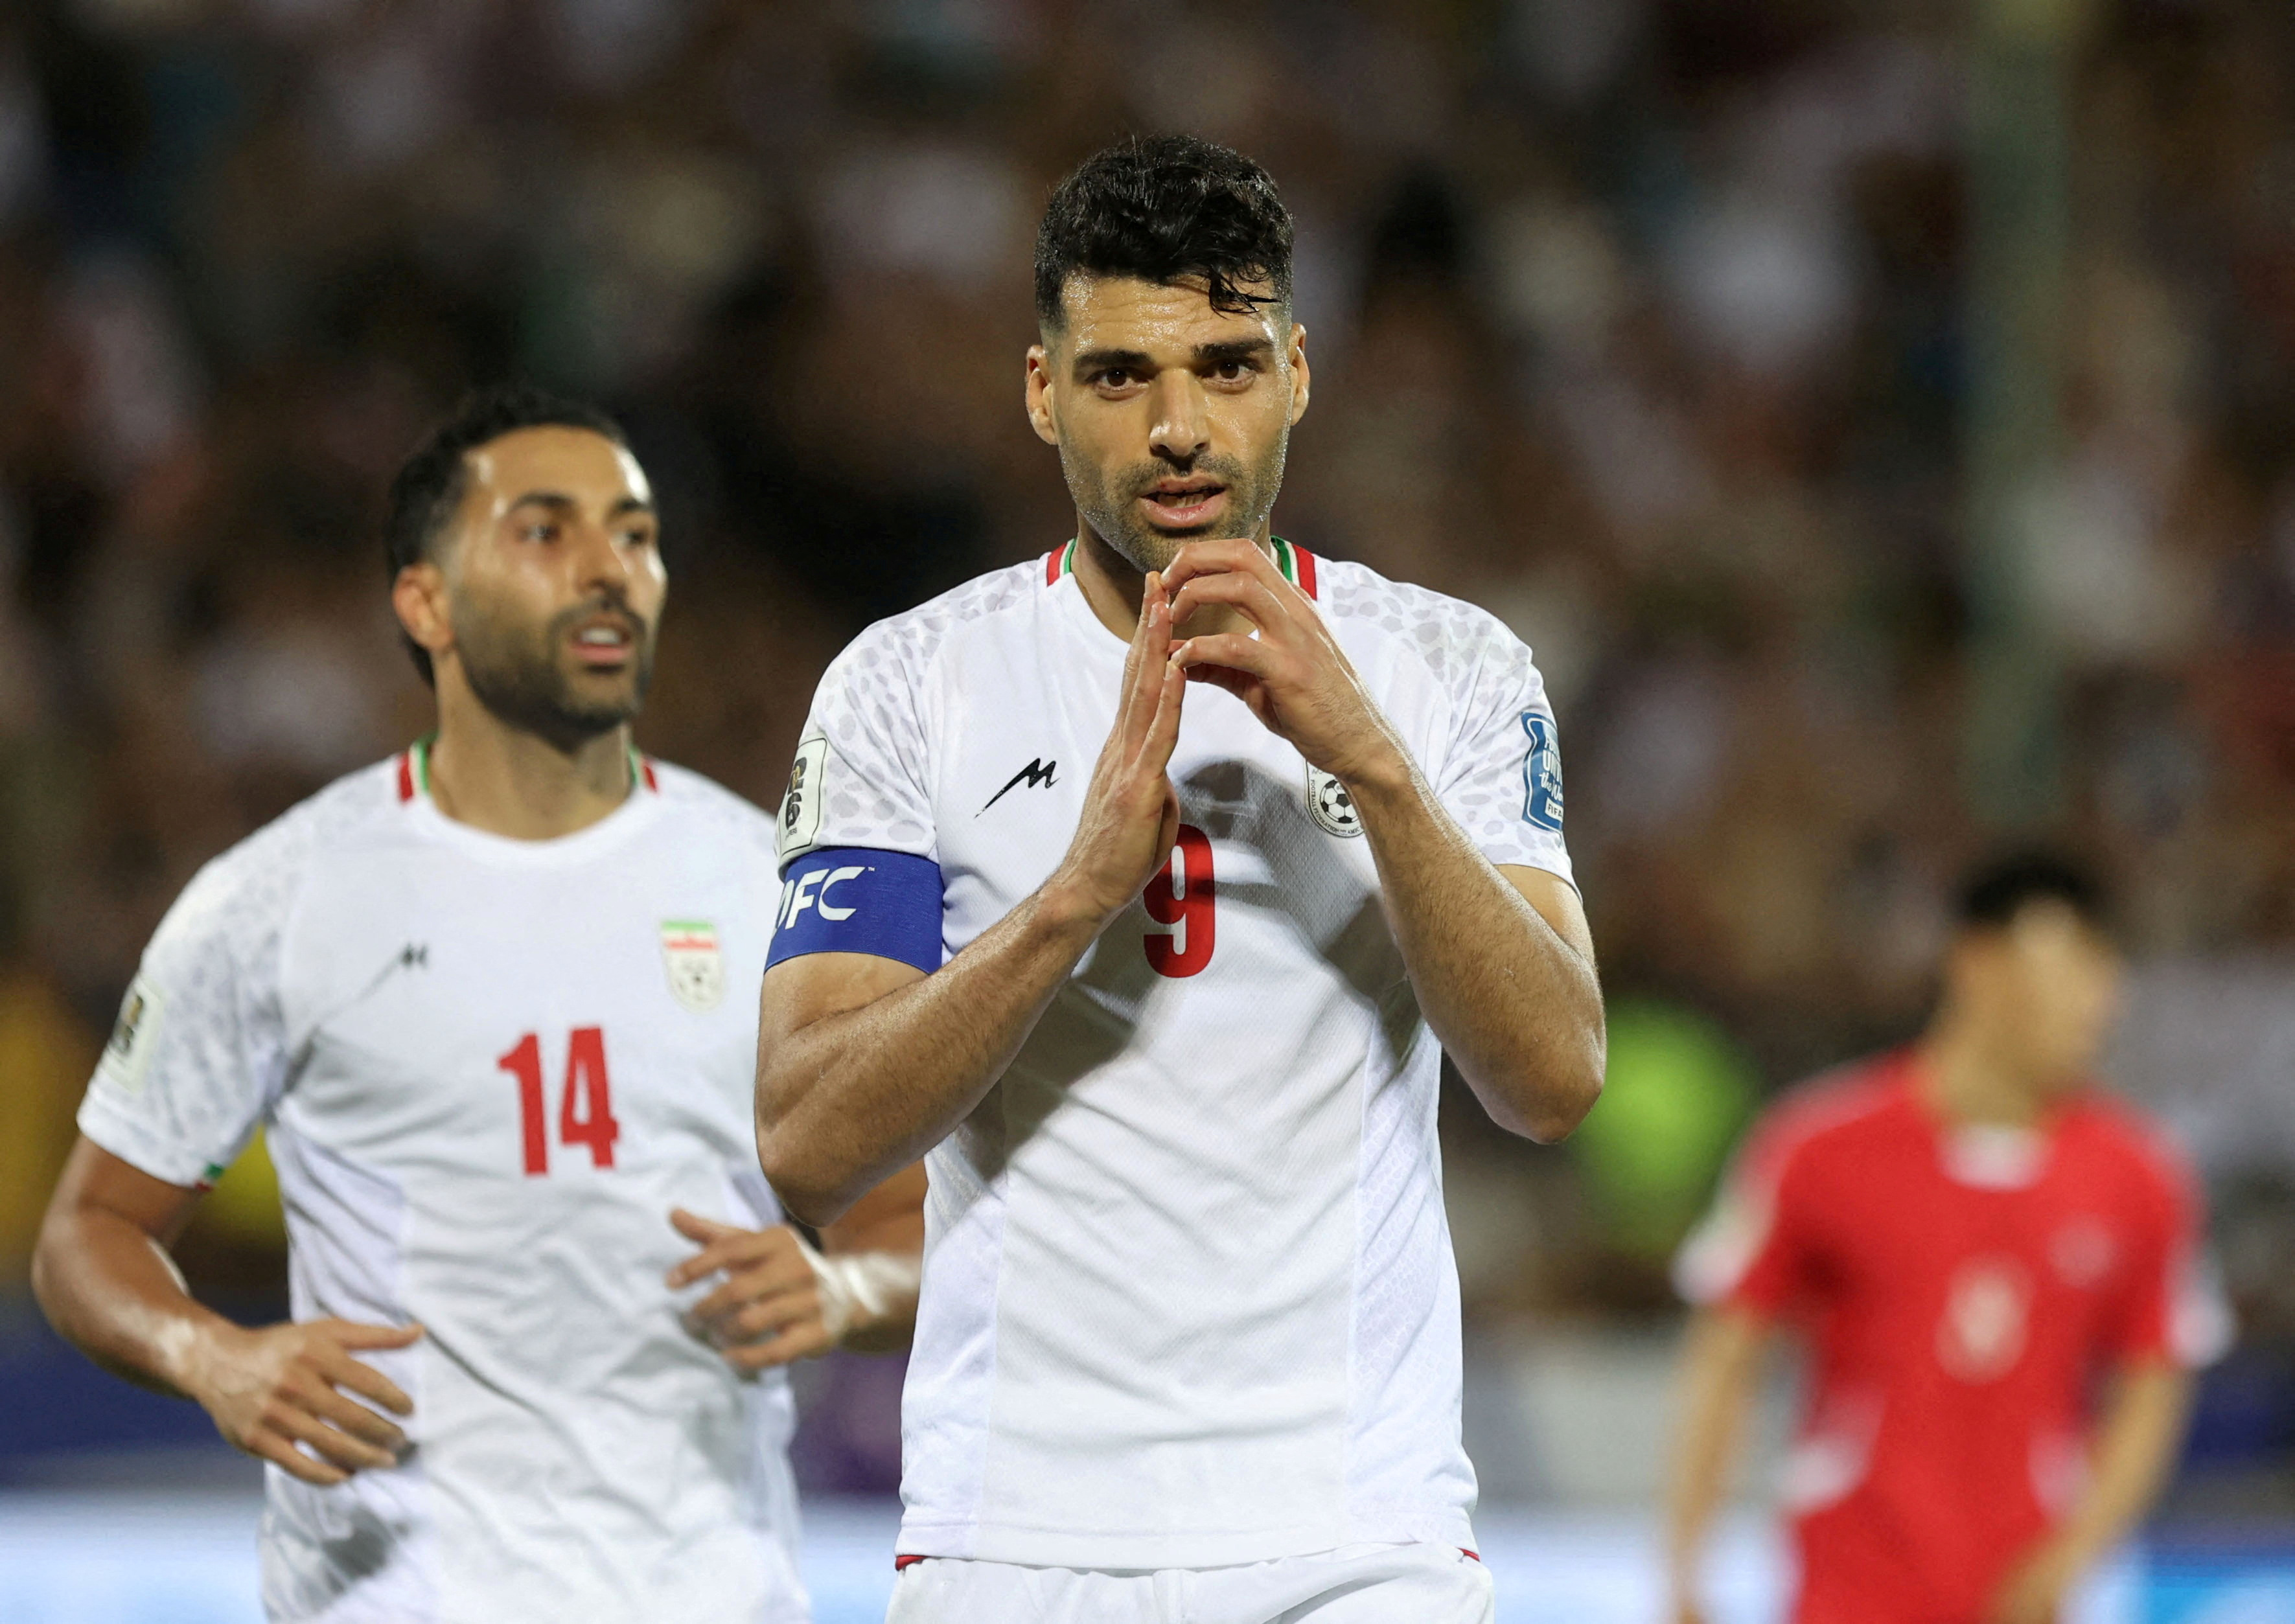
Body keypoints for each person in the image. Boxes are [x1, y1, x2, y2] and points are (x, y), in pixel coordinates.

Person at [752, 135, 1606, 1623]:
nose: (1179, 428)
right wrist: (1071, 898)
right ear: (1039, 391)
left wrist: (1377, 772)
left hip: (1357, 1537)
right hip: (1014, 1540)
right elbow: (810, 1140)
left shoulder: (1452, 670)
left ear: (1297, 374)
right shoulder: (911, 685)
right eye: (1119, 377)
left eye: (1224, 366)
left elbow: (1551, 1077)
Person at [32, 385, 925, 1624]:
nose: (610, 569)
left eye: (634, 533)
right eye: (546, 532)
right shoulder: (278, 900)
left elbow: (914, 1238)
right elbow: (86, 1236)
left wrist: (838, 1294)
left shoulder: (768, 892)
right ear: (425, 600)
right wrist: (214, 1357)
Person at [1665, 852, 2231, 1624]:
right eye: (2064, 968)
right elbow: (1725, 1356)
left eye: (2103, 975)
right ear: (1975, 964)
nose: (2092, 1003)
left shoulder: (2139, 1178)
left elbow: (2153, 1383)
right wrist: (1685, 1566)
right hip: (1849, 1589)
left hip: (2025, 1596)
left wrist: (2071, 1552)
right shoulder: (1815, 1147)